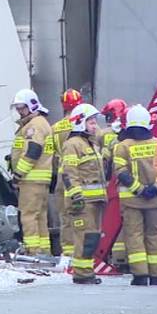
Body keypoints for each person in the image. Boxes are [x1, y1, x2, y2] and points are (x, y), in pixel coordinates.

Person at [113, 105, 157, 286]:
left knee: (134, 235)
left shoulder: (122, 146)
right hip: (155, 199)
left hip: (132, 200)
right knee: (154, 235)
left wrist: (139, 189)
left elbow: (121, 172)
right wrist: (155, 189)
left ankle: (140, 275)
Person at [60, 103, 106, 284]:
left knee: (92, 237)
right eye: (92, 122)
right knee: (84, 237)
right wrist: (76, 196)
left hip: (95, 200)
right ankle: (81, 273)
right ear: (80, 123)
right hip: (82, 202)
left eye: (95, 122)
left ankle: (86, 270)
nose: (95, 126)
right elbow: (69, 173)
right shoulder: (72, 145)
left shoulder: (90, 144)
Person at [10, 89, 54, 256]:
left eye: (22, 108)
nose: (19, 112)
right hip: (40, 180)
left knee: (28, 217)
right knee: (40, 218)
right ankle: (44, 251)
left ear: (32, 106)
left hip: (30, 179)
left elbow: (32, 151)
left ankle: (33, 252)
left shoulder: (33, 126)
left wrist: (18, 174)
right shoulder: (42, 123)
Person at [52, 89, 83, 256]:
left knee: (65, 216)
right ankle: (83, 252)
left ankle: (68, 253)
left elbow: (51, 154)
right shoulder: (81, 123)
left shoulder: (55, 128)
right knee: (82, 215)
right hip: (80, 173)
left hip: (61, 174)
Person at [99, 98, 129, 265]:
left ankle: (116, 256)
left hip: (113, 181)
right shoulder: (129, 134)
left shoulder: (104, 134)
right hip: (127, 182)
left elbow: (104, 160)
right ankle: (122, 256)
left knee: (112, 219)